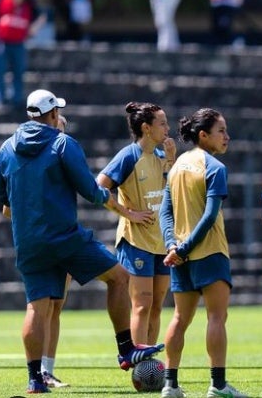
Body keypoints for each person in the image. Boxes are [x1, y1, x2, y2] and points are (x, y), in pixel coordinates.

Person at [0, 89, 164, 394]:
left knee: (37, 307)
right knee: (119, 277)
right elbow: (89, 188)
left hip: (29, 241)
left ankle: (35, 379)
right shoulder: (62, 142)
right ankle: (126, 348)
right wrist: (104, 197)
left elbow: (0, 196)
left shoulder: (7, 147)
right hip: (65, 237)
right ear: (54, 115)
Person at [158, 108, 246, 398]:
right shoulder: (215, 168)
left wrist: (173, 245)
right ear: (203, 135)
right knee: (216, 318)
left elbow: (165, 211)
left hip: (179, 255)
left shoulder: (178, 165)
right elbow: (209, 217)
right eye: (221, 131)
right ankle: (218, 385)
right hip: (208, 252)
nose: (227, 136)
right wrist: (181, 249)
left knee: (179, 319)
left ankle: (170, 385)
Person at [96, 102, 176, 347]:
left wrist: (172, 160)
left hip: (161, 242)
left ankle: (150, 363)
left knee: (155, 307)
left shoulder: (163, 155)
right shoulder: (129, 155)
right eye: (162, 123)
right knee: (141, 304)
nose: (167, 128)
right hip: (136, 241)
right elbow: (99, 186)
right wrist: (128, 213)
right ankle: (139, 363)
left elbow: (172, 191)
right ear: (146, 128)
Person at [2, 114, 71, 389]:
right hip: (44, 239)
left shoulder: (62, 155)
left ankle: (47, 370)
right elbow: (7, 208)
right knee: (40, 308)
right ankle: (37, 372)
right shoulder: (27, 159)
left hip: (60, 236)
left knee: (55, 307)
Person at [0, 0, 47, 107]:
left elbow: (42, 17)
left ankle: (16, 100)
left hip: (19, 43)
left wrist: (34, 28)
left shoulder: (29, 2)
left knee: (18, 71)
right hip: (1, 42)